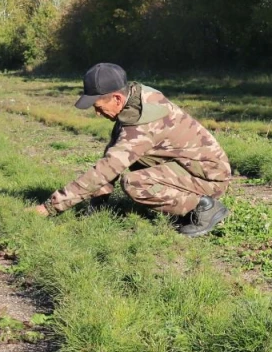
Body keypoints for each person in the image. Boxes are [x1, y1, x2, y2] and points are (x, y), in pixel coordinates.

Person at [31, 63, 232, 237]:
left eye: (99, 107)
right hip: (191, 167)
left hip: (209, 178)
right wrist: (96, 209)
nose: (97, 113)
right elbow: (110, 158)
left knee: (135, 184)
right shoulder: (134, 100)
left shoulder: (141, 126)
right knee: (125, 160)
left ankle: (204, 207)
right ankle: (188, 203)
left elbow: (105, 171)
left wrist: (48, 208)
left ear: (117, 98)